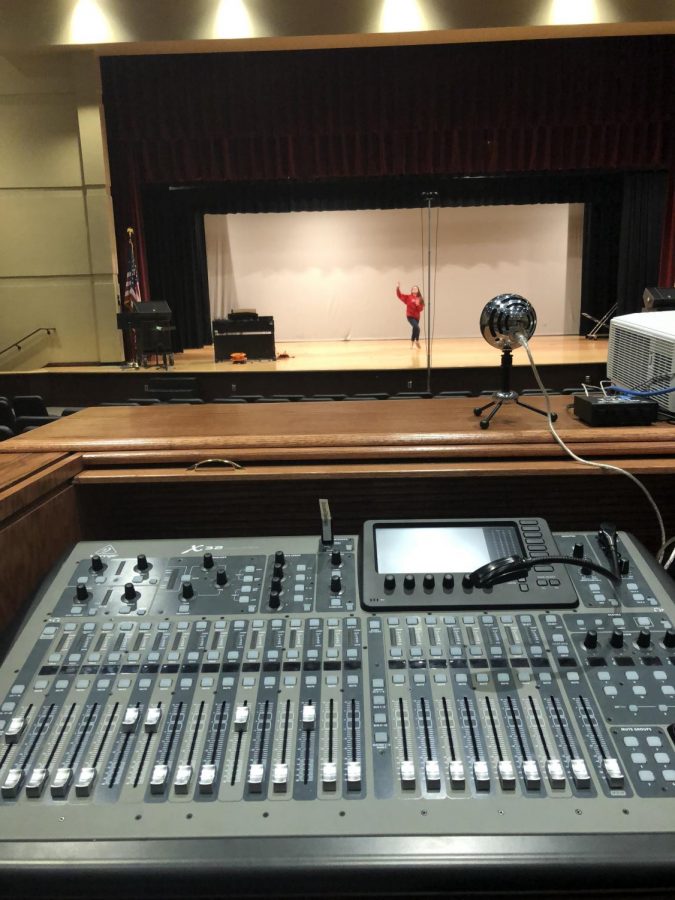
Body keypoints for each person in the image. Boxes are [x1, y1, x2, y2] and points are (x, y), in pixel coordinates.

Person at [396, 282, 424, 348]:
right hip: (410, 316)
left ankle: (414, 342)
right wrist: (397, 288)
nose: (414, 289)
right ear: (411, 290)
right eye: (413, 288)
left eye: (416, 288)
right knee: (417, 327)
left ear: (418, 290)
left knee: (415, 329)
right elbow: (399, 295)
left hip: (417, 317)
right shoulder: (408, 297)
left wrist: (418, 305)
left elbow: (421, 309)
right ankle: (414, 341)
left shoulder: (420, 299)